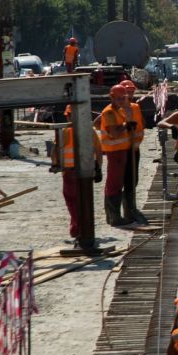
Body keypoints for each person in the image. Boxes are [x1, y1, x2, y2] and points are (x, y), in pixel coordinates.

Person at [50, 104, 103, 245]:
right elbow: (98, 151)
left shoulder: (64, 131)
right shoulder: (89, 131)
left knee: (73, 202)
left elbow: (55, 151)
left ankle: (78, 229)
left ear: (68, 116)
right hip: (85, 172)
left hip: (70, 172)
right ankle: (80, 229)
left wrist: (55, 164)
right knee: (83, 201)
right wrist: (98, 168)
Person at [95, 84, 136, 228]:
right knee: (114, 184)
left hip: (120, 151)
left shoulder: (118, 110)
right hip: (115, 151)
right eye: (118, 98)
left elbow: (97, 123)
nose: (121, 101)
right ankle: (114, 217)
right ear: (111, 98)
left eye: (123, 98)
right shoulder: (109, 112)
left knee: (116, 183)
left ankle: (112, 215)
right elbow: (114, 133)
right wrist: (125, 126)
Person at [119, 79, 149, 225]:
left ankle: (131, 208)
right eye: (127, 92)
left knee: (133, 180)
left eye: (131, 91)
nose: (130, 94)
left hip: (135, 149)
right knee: (124, 180)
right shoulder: (116, 109)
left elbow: (142, 124)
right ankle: (126, 211)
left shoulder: (135, 107)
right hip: (122, 151)